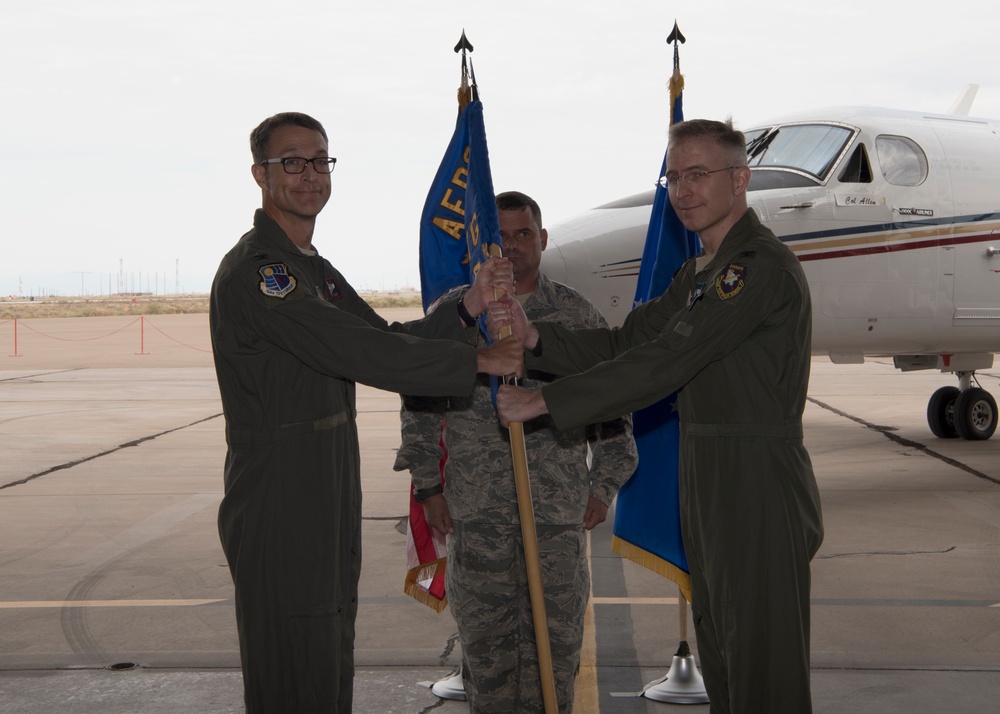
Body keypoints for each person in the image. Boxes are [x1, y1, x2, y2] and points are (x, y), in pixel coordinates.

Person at [492, 120, 825, 714]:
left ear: (740, 179)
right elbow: (628, 342)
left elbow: (670, 358)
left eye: (699, 174)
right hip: (709, 475)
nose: (683, 190)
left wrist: (546, 402)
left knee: (762, 665)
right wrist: (537, 336)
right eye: (674, 177)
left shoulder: (756, 269)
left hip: (755, 479)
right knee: (724, 655)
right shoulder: (700, 274)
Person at [209, 111, 522, 713]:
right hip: (281, 488)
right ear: (260, 174)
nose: (310, 175)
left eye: (320, 160)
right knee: (293, 658)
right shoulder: (262, 273)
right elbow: (364, 352)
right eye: (291, 162)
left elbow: (384, 334)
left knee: (326, 643)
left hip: (324, 480)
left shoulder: (312, 271)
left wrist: (465, 310)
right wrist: (477, 361)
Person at [394, 191, 638, 713]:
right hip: (476, 516)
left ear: (543, 239)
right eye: (499, 236)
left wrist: (604, 484)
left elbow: (612, 404)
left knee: (557, 652)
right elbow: (419, 407)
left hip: (555, 516)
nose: (512, 247)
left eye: (523, 234)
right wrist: (428, 488)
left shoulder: (574, 314)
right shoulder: (455, 315)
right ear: (481, 246)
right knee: (487, 658)